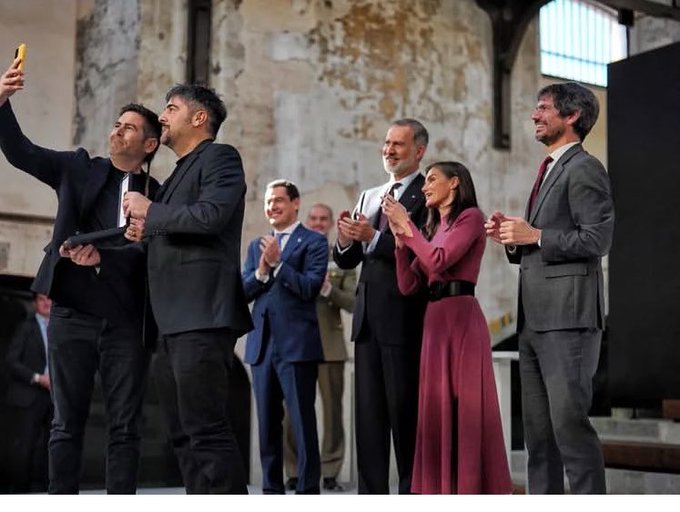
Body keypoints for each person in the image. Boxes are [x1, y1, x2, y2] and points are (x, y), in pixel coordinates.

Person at [0, 57, 161, 494]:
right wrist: (2, 102)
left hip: (126, 321)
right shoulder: (78, 166)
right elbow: (21, 152)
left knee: (125, 427)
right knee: (65, 422)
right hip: (72, 314)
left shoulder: (161, 198)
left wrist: (105, 260)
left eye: (128, 127)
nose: (116, 130)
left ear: (149, 145)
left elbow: (153, 256)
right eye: (116, 124)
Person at [123, 84, 253, 494]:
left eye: (171, 108)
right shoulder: (178, 171)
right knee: (181, 434)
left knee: (207, 430)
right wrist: (146, 232)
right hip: (167, 320)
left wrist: (152, 211)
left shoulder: (220, 157)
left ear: (199, 118)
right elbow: (176, 226)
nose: (162, 116)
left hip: (200, 313)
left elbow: (211, 216)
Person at [484, 82, 614, 494]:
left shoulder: (585, 167)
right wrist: (512, 238)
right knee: (539, 439)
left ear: (571, 116)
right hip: (534, 321)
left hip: (569, 320)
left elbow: (597, 240)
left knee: (570, 431)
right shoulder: (549, 170)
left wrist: (535, 234)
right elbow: (539, 240)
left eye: (543, 108)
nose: (534, 115)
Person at [382, 162, 512, 494]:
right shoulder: (433, 228)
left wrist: (406, 226)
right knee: (437, 409)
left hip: (462, 321)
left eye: (432, 179)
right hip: (435, 323)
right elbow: (409, 285)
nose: (425, 186)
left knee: (465, 408)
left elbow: (440, 260)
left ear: (454, 183)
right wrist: (400, 245)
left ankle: (468, 490)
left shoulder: (469, 218)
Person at [333, 119, 429, 494]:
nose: (388, 150)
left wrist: (373, 237)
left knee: (405, 420)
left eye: (398, 144)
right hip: (367, 322)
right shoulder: (369, 196)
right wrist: (344, 240)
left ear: (418, 151)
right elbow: (346, 260)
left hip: (405, 320)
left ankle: (410, 494)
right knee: (369, 423)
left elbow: (423, 252)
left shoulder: (428, 193)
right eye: (386, 143)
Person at [242, 180, 328, 494]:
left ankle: (307, 491)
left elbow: (309, 288)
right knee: (266, 425)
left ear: (295, 204)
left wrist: (279, 264)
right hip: (262, 346)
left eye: (278, 200)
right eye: (267, 202)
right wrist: (262, 272)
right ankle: (271, 490)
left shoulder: (314, 242)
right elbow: (243, 292)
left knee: (302, 422)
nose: (272, 207)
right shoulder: (257, 245)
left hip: (297, 346)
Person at [283, 203, 356, 492]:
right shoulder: (291, 253)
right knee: (291, 412)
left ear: (329, 224)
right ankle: (292, 470)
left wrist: (329, 290)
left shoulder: (341, 259)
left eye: (323, 219)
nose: (317, 223)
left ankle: (329, 472)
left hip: (329, 345)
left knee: (332, 413)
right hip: (296, 342)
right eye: (313, 218)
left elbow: (354, 303)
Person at [5, 293, 53, 493]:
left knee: (51, 447)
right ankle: (20, 492)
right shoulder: (26, 327)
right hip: (29, 394)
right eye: (42, 299)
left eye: (50, 299)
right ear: (35, 303)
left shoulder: (61, 329)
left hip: (54, 397)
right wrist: (36, 377)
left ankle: (45, 489)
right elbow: (11, 361)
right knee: (25, 446)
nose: (46, 303)